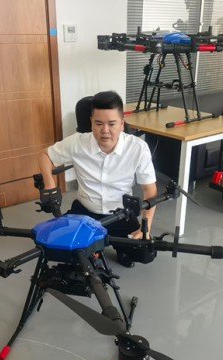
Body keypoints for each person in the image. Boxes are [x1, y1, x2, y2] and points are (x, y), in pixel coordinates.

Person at [38, 91, 157, 267]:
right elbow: (45, 156)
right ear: (91, 122)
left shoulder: (138, 148)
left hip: (120, 215)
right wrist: (50, 183)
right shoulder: (78, 143)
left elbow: (150, 191)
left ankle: (119, 250)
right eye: (98, 123)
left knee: (144, 253)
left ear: (122, 124)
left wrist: (145, 228)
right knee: (63, 252)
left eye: (112, 124)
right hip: (85, 211)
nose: (105, 131)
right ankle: (92, 250)